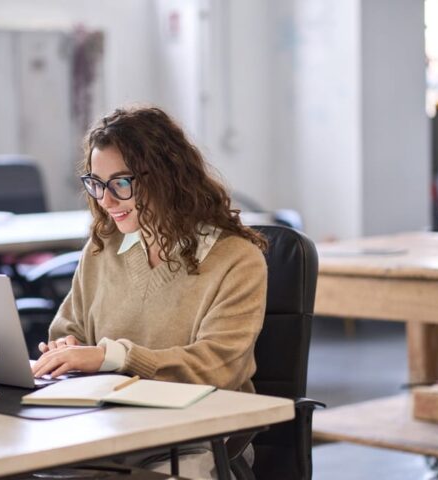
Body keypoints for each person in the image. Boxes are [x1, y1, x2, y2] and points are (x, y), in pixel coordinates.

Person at [32, 105, 267, 478]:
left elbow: (216, 368)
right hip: (106, 428)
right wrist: (67, 349)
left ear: (166, 177)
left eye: (120, 183)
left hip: (195, 437)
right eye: (95, 183)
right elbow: (67, 329)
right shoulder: (102, 248)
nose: (106, 201)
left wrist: (112, 356)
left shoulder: (236, 260)